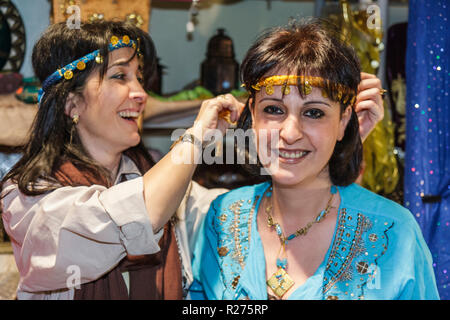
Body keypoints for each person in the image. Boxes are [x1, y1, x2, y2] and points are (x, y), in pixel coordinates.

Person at [1, 20, 383, 300]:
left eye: (140, 78)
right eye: (120, 76)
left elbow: (254, 215)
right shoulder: (28, 197)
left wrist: (335, 140)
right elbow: (128, 216)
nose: (139, 94)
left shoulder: (164, 184)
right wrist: (196, 139)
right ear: (71, 103)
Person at [190, 19, 440, 300]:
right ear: (253, 115)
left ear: (344, 120)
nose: (291, 133)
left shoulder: (395, 231)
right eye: (273, 109)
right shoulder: (223, 217)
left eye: (314, 113)